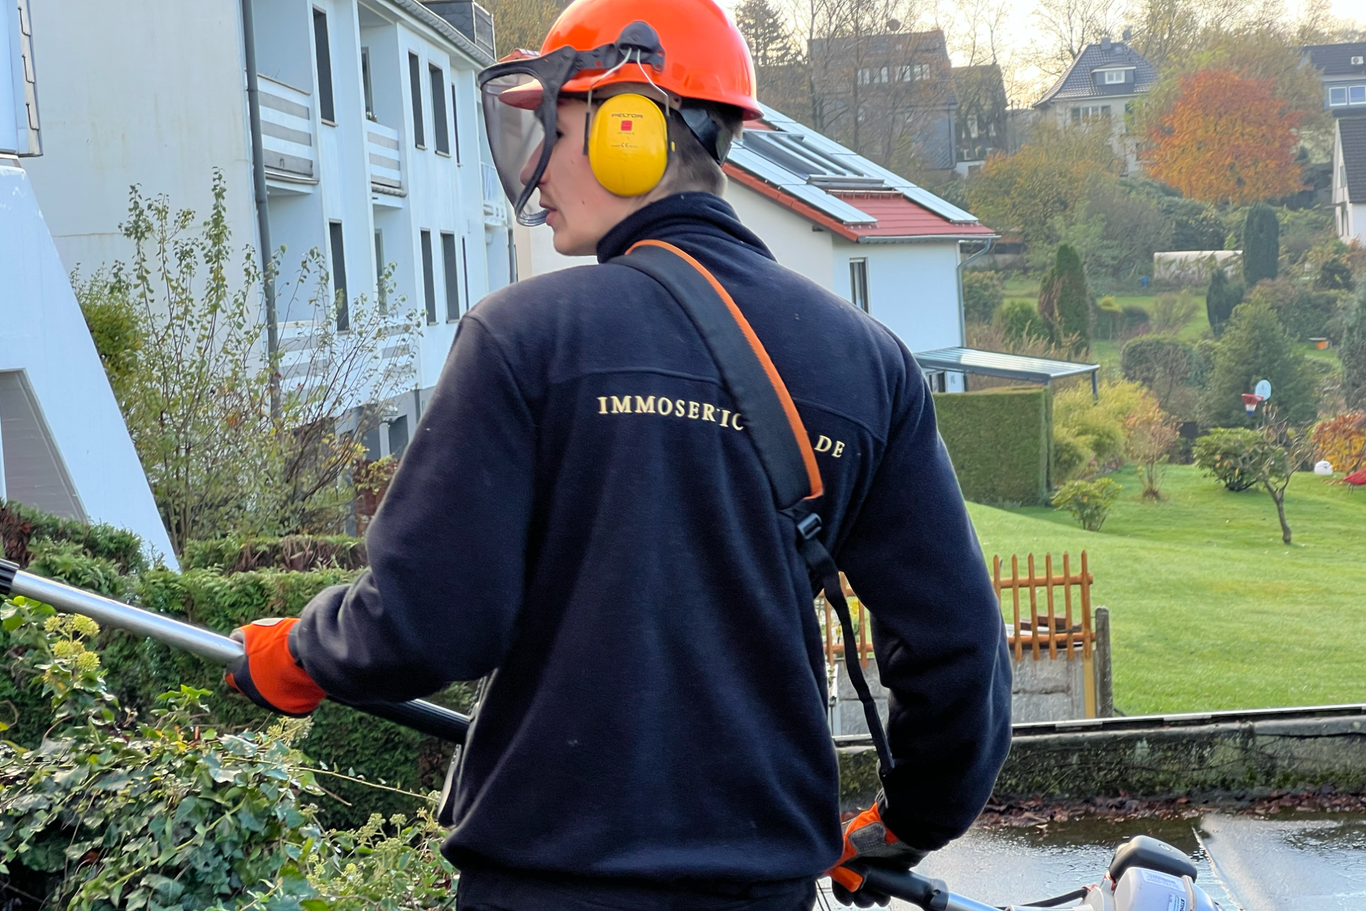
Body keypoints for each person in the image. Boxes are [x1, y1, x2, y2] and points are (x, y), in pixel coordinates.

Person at [225, 0, 1011, 908]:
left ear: (629, 128)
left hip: (545, 886)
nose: (534, 171)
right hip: (763, 887)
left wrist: (301, 652)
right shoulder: (870, 365)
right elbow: (957, 651)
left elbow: (429, 618)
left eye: (552, 132)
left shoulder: (525, 340)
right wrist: (908, 818)